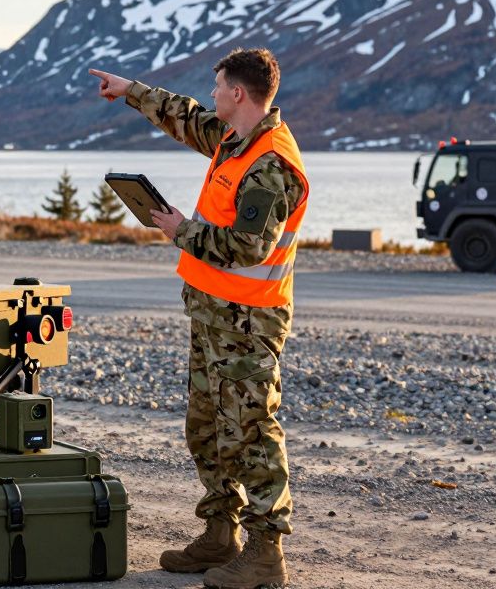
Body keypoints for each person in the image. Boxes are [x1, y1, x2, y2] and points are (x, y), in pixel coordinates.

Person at [89, 48, 307, 589]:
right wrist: (129, 90)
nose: (211, 95)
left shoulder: (270, 164)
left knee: (250, 432)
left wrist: (180, 230)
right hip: (213, 315)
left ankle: (266, 554)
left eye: (218, 86)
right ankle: (219, 534)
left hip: (249, 323)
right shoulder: (235, 138)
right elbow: (184, 116)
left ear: (238, 93)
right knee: (207, 429)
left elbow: (249, 247)